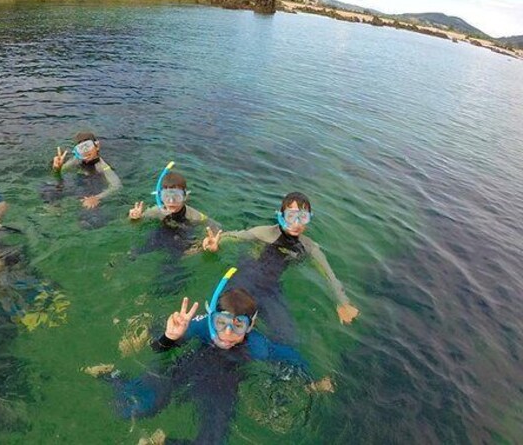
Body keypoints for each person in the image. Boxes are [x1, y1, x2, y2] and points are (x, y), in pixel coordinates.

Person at [103, 269, 332, 444]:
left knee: (214, 439)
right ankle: (112, 375)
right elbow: (159, 349)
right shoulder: (201, 326)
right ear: (211, 317)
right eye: (220, 323)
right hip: (188, 366)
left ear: (250, 327)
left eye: (238, 326)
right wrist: (170, 336)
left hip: (224, 384)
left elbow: (291, 358)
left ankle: (163, 441)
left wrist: (312, 383)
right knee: (136, 407)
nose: (227, 333)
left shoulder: (257, 346)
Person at [202, 192, 359, 341]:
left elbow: (329, 275)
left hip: (271, 289)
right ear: (281, 215)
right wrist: (215, 243)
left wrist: (343, 302)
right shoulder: (263, 233)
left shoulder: (309, 247)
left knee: (286, 336)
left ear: (309, 219)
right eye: (291, 216)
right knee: (222, 321)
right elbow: (233, 236)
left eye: (302, 217)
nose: (296, 223)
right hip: (246, 281)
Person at [127, 169, 221, 294]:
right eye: (166, 196)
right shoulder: (157, 211)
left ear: (185, 196)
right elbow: (137, 219)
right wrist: (134, 217)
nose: (171, 202)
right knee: (135, 252)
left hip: (181, 241)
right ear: (160, 196)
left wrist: (206, 242)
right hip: (160, 236)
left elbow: (216, 227)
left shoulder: (195, 216)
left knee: (170, 271)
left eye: (176, 196)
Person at [50, 131, 122, 209]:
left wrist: (97, 197)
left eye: (88, 146)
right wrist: (57, 168)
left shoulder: (102, 166)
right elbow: (59, 173)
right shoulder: (76, 160)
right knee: (48, 190)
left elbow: (116, 186)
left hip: (95, 184)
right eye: (81, 148)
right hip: (79, 182)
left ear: (97, 146)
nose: (85, 151)